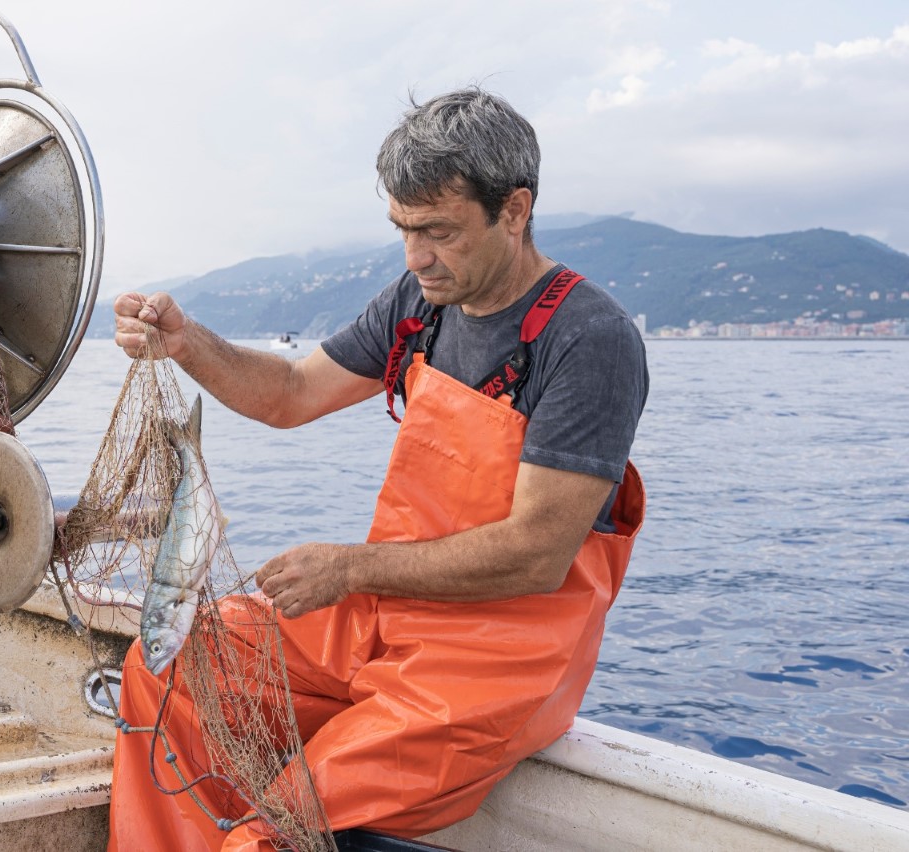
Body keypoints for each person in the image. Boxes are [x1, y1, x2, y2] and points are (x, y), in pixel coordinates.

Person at [107, 86, 648, 851]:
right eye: (402, 230)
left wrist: (350, 568)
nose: (416, 256)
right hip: (385, 617)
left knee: (280, 828)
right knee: (171, 671)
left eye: (438, 232)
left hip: (495, 662)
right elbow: (291, 393)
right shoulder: (422, 301)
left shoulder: (589, 339)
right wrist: (187, 342)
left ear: (516, 209)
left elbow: (537, 553)